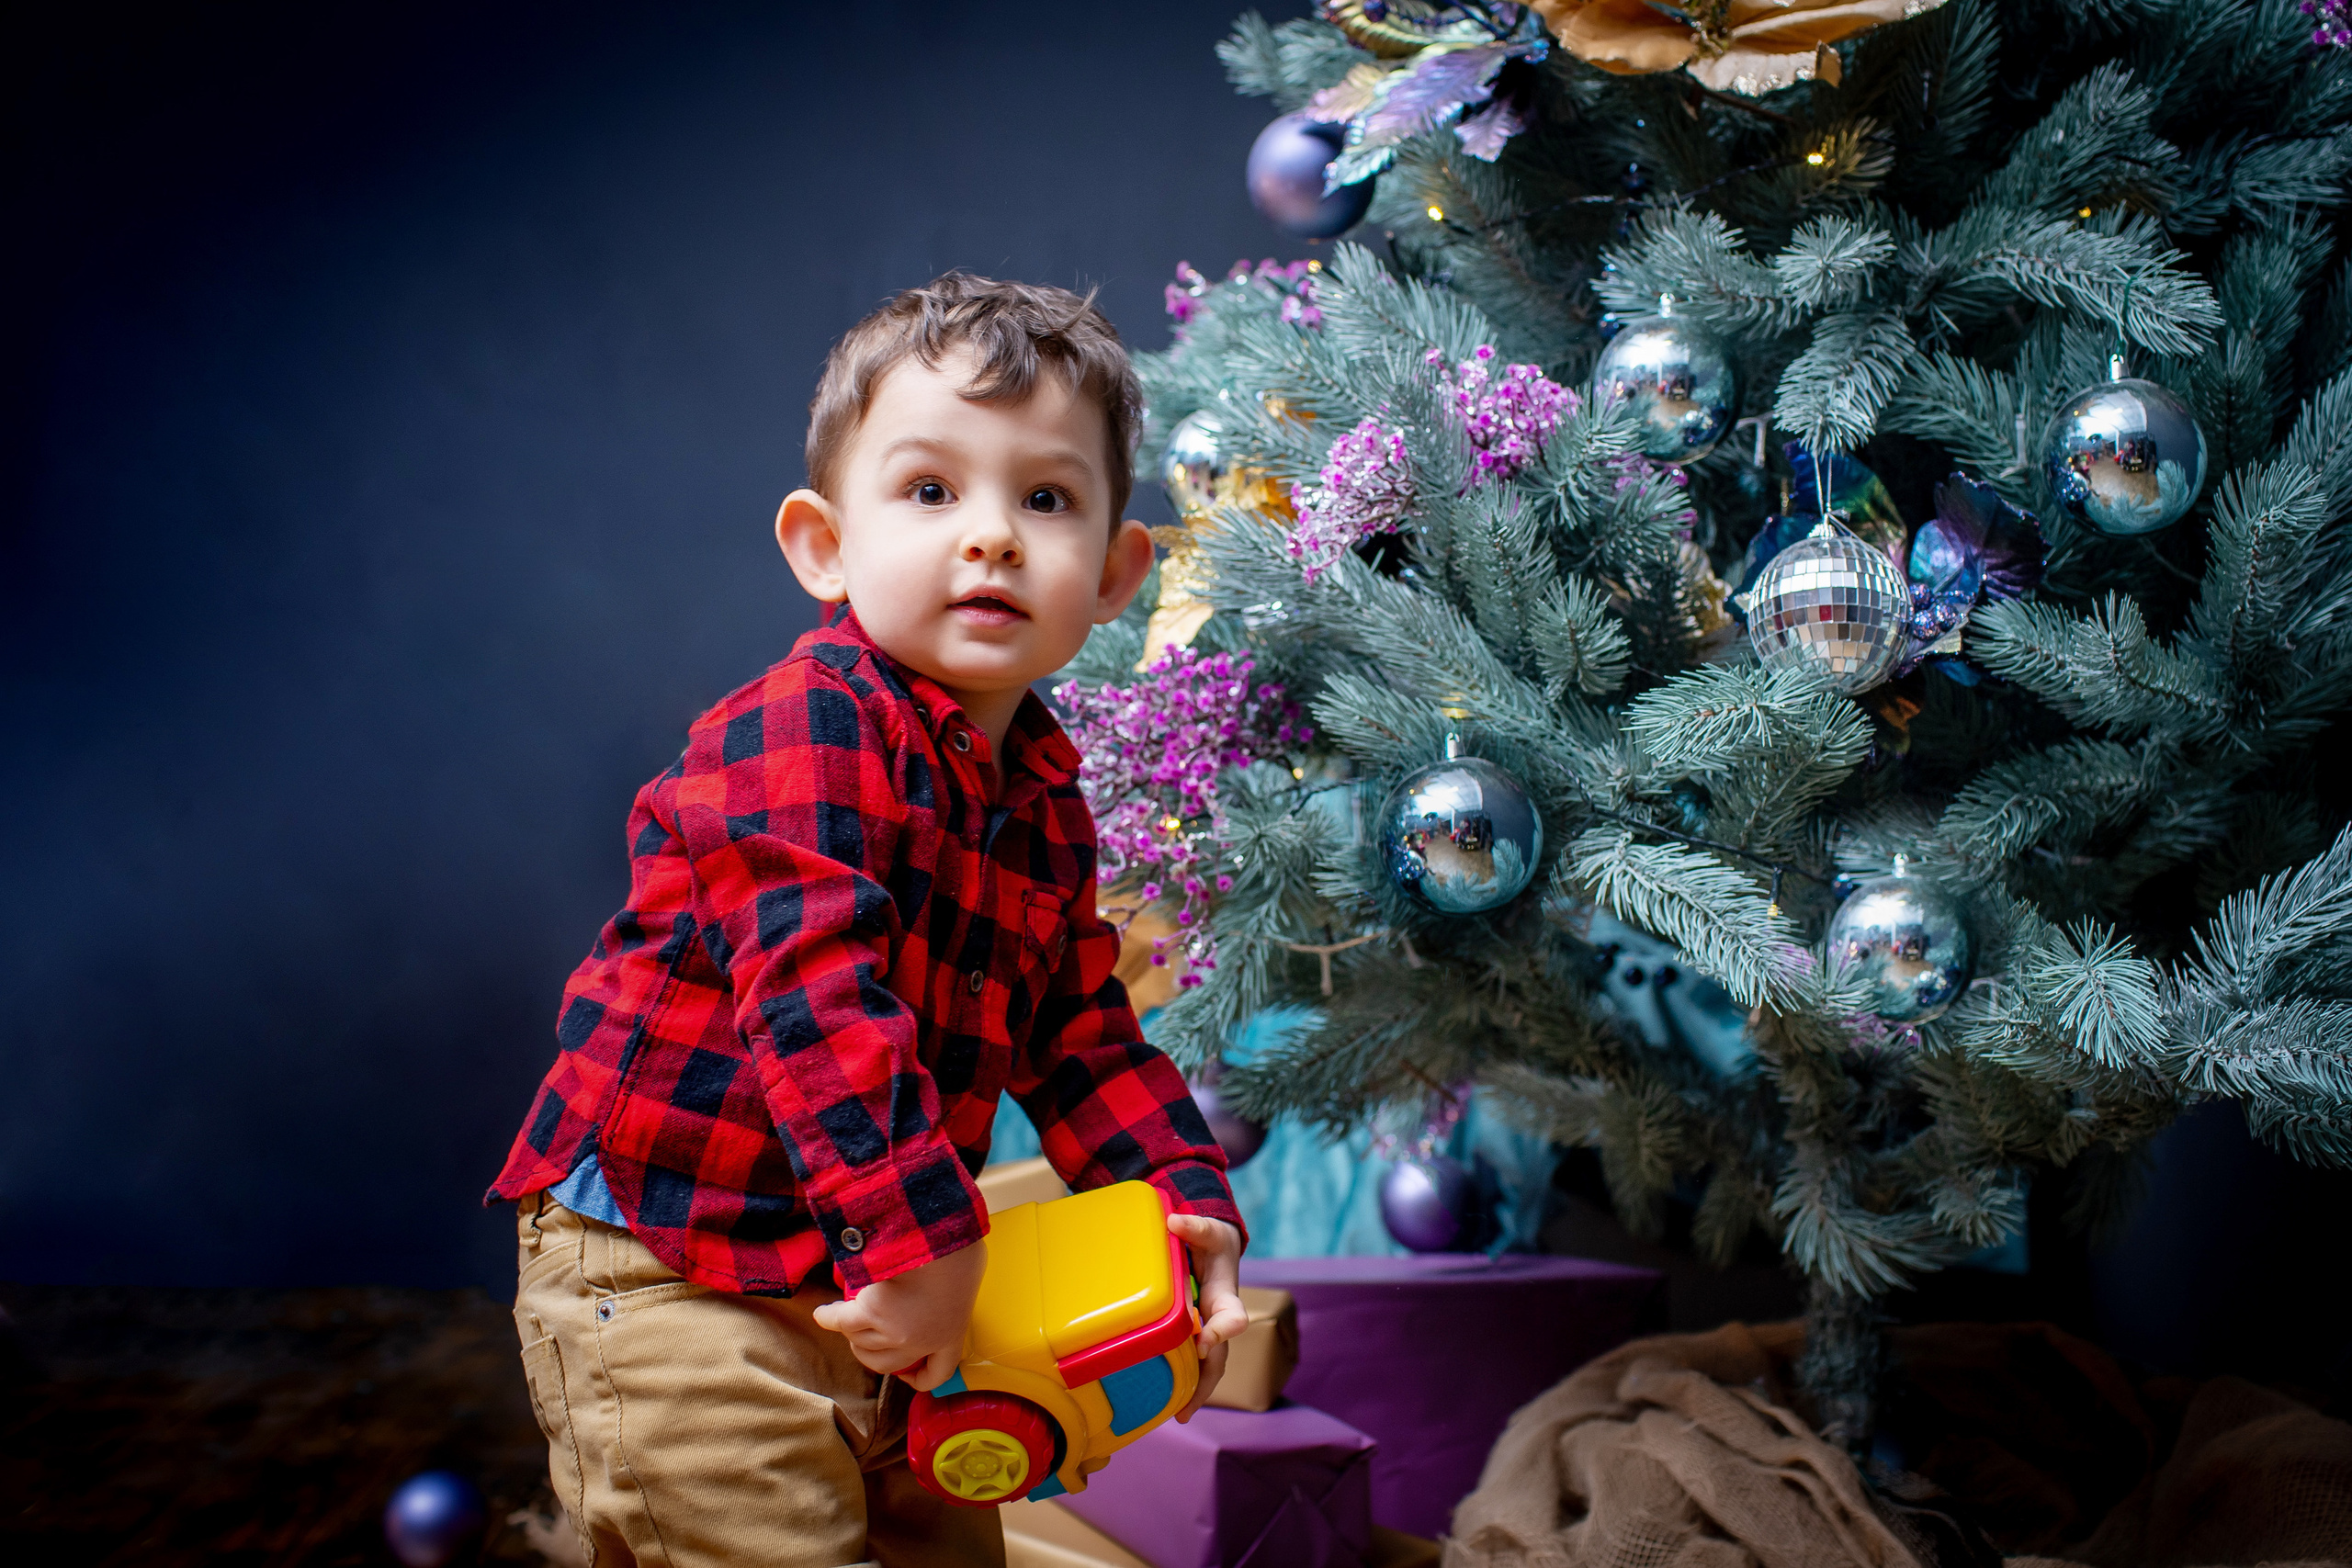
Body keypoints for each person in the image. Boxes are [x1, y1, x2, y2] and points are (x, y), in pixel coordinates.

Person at [487, 274, 1250, 1568]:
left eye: (1047, 499)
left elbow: (1082, 1034)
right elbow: (814, 1004)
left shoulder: (1047, 796)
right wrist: (923, 1241)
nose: (993, 536)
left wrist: (1178, 1195)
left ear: (1122, 569)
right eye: (932, 491)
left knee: (943, 1545)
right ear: (823, 544)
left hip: (881, 1259)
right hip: (676, 1251)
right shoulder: (807, 726)